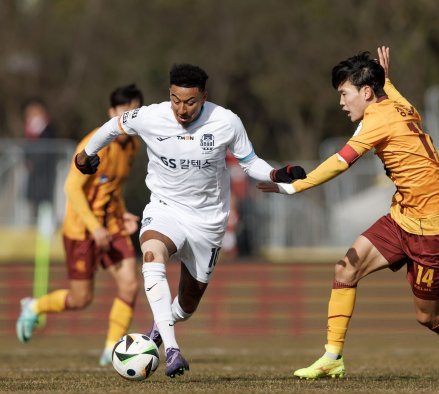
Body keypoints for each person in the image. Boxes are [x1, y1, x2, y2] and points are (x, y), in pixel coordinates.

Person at [258, 46, 439, 382]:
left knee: (428, 317)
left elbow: (340, 161)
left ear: (366, 92)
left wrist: (295, 187)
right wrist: (385, 78)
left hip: (435, 233)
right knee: (346, 267)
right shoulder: (395, 103)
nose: (341, 102)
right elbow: (388, 93)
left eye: (345, 93)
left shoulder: (376, 120)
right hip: (402, 217)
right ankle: (332, 356)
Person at [73, 64, 306, 378]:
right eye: (176, 100)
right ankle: (172, 351)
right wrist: (85, 155)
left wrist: (277, 174)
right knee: (152, 255)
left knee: (187, 304)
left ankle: (158, 329)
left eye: (190, 102)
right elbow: (114, 126)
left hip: (208, 222)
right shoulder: (150, 116)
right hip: (165, 209)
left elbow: (250, 163)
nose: (182, 109)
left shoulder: (226, 122)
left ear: (204, 97)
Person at [16, 84, 144, 366]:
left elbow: (113, 187)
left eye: (136, 112)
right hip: (81, 230)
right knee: (80, 298)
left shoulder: (133, 145)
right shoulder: (95, 144)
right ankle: (35, 306)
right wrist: (94, 227)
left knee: (130, 284)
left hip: (110, 224)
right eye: (125, 111)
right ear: (112, 113)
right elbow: (72, 188)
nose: (130, 117)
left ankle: (112, 349)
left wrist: (121, 214)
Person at [22, 97, 58, 218]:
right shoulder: (29, 130)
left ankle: (44, 234)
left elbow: (48, 149)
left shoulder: (48, 129)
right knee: (33, 204)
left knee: (45, 205)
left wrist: (35, 162)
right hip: (34, 175)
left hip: (45, 173)